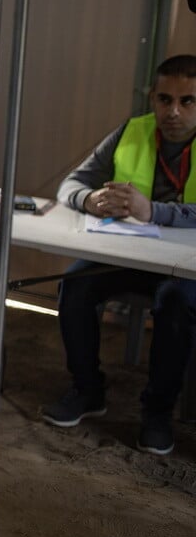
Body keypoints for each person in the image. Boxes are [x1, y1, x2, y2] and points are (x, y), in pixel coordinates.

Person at [43, 53, 196, 456]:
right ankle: (87, 390)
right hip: (128, 254)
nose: (173, 111)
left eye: (187, 101)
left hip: (185, 268)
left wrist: (155, 211)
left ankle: (157, 414)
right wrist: (89, 198)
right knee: (75, 285)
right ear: (152, 98)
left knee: (176, 303)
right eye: (165, 99)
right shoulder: (133, 130)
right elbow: (70, 184)